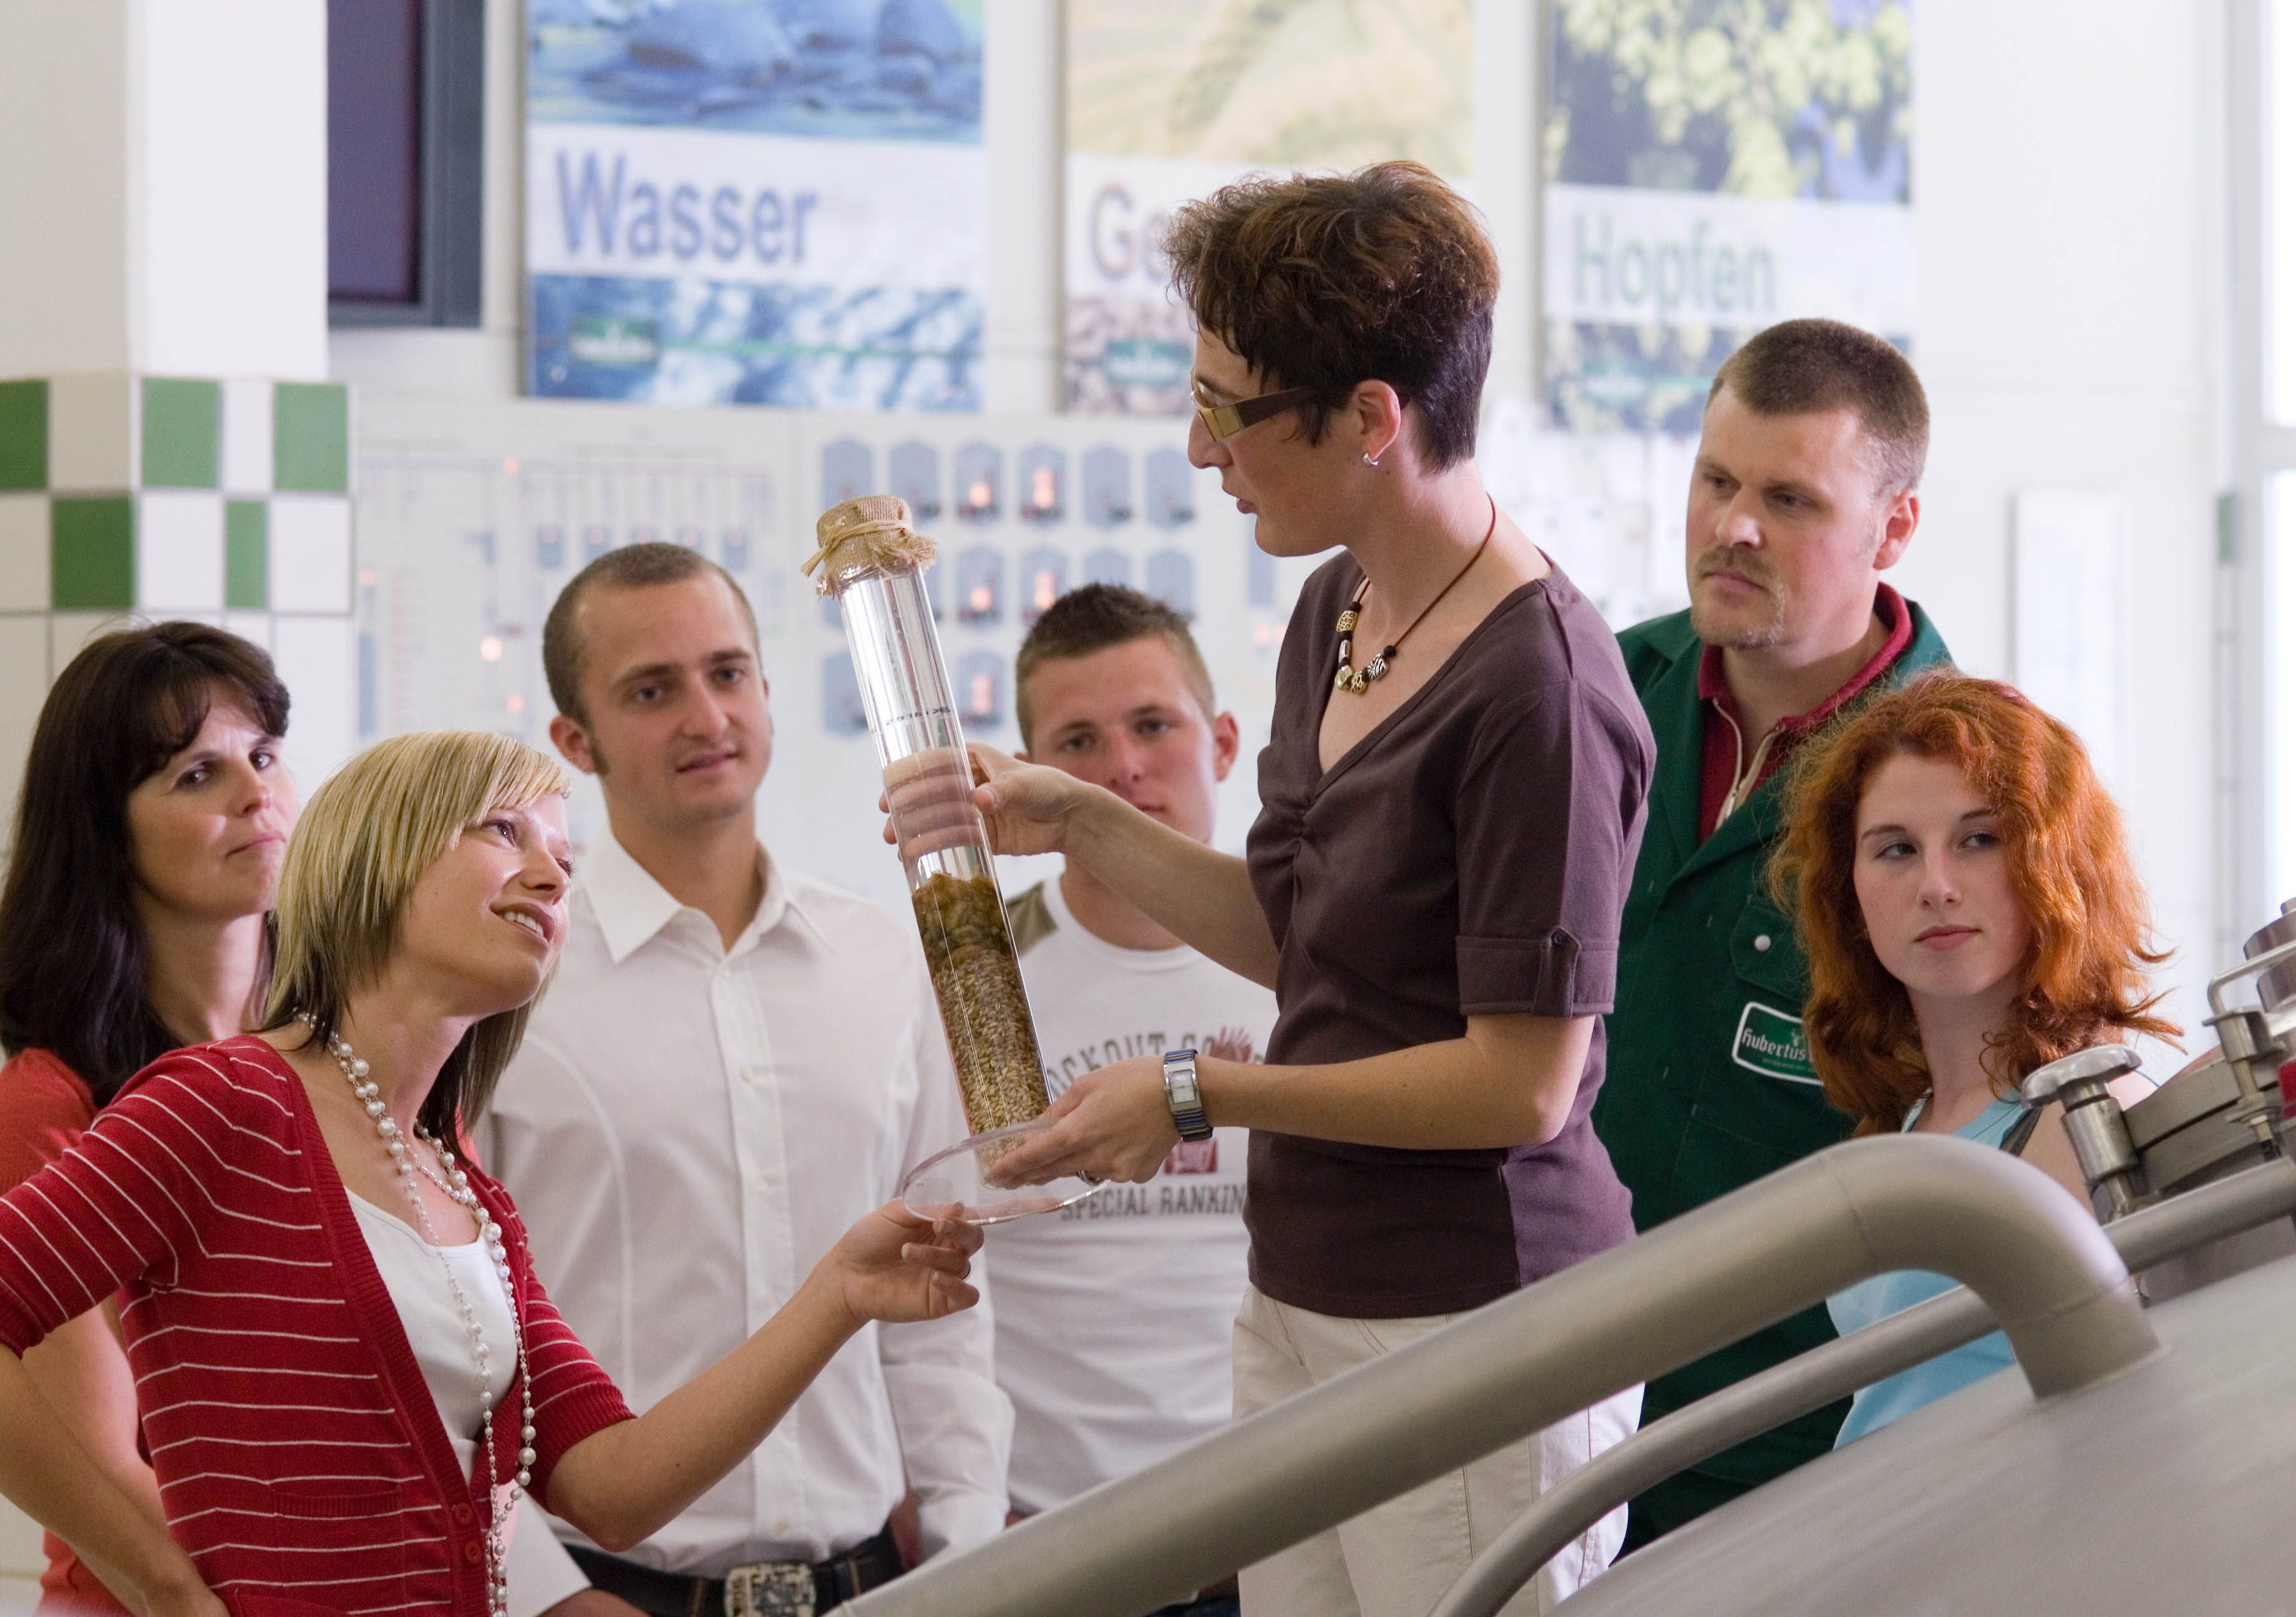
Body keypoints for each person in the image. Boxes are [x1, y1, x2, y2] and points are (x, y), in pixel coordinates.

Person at [942, 163, 1655, 1617]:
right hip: (1303, 1287)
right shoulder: (1337, 609)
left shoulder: (1541, 692)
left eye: (1232, 408)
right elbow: (1302, 938)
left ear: (1374, 419)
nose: (1203, 447)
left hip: (1472, 1319)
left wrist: (1204, 1093)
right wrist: (1077, 816)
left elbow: (1521, 1082)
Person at [0, 729, 983, 1617]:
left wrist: (839, 1293)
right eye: (505, 830)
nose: (552, 874)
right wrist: (158, 1581)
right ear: (379, 855)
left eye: (563, 852)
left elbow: (616, 1487)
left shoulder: (469, 1192)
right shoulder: (223, 1101)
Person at [481, 543, 1011, 1615]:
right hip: (608, 1593)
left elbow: (942, 1302)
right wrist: (543, 1594)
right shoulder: (505, 983)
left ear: (768, 691)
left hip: (875, 1588)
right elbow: (449, 1342)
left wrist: (966, 1555)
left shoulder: (883, 960)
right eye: (650, 689)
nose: (704, 716)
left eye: (727, 673)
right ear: (572, 741)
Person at [1588, 318, 1952, 1545]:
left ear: (1892, 527)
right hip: (1546, 1391)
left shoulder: (1971, 782)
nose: (1733, 527)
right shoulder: (1591, 694)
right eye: (1716, 481)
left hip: (1792, 1439)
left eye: (1788, 498)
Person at [0, 623, 299, 1616]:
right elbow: (98, 1463)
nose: (258, 795)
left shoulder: (352, 1064)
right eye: (198, 775)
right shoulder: (51, 1105)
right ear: (104, 832)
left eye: (265, 755)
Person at [1771, 672, 2171, 1440]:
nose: (1936, 886)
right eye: (1894, 850)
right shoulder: (1915, 1123)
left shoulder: (2086, 1118)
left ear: (2053, 864)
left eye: (1978, 840)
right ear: (1848, 893)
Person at [990, 585, 1278, 1616]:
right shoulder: (974, 980)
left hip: (1278, 1524)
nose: (1121, 769)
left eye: (1153, 725)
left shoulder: (1310, 963)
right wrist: (950, 1497)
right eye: (1077, 741)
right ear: (1028, 777)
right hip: (1045, 1537)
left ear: (1224, 740)